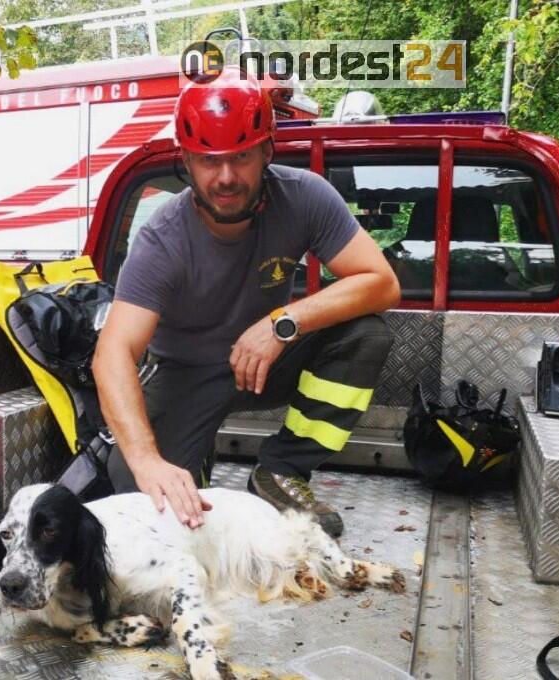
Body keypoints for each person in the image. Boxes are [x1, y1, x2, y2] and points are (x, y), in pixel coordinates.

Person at [93, 69, 400, 538]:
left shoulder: (304, 197)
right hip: (185, 376)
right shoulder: (162, 239)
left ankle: (281, 471)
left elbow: (381, 282)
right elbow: (112, 353)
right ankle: (190, 462)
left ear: (267, 151)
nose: (226, 177)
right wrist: (147, 460)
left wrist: (283, 322)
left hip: (259, 362)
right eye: (208, 160)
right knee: (140, 497)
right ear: (187, 162)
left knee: (366, 334)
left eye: (241, 157)